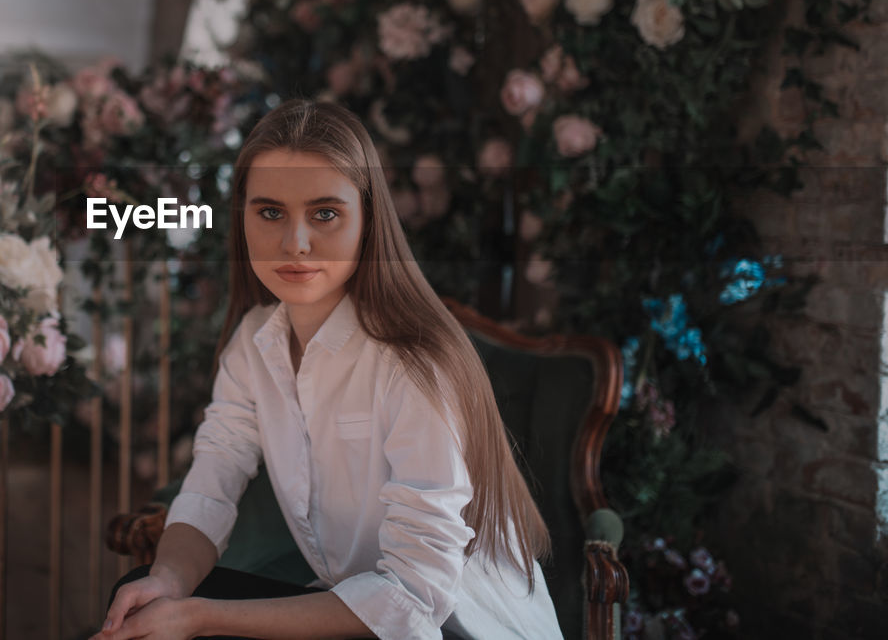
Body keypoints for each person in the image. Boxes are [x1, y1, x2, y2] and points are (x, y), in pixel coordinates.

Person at [92, 99, 563, 640]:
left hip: (452, 631)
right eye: (270, 212)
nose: (295, 243)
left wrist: (199, 615)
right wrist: (170, 583)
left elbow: (412, 601)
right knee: (139, 596)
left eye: (325, 214)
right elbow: (211, 486)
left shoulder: (415, 364)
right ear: (242, 218)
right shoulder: (254, 343)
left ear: (367, 222)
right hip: (365, 615)